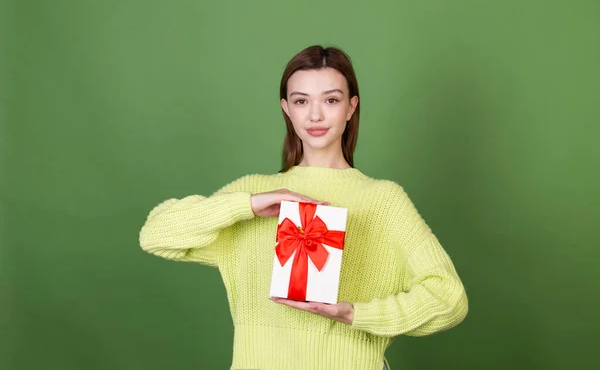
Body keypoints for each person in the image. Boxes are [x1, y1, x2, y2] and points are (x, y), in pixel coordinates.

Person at [139, 45, 468, 370]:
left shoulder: (382, 200)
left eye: (331, 100)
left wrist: (354, 313)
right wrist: (249, 205)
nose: (315, 115)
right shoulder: (252, 193)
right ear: (286, 108)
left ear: (351, 107)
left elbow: (449, 299)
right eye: (301, 101)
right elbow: (155, 234)